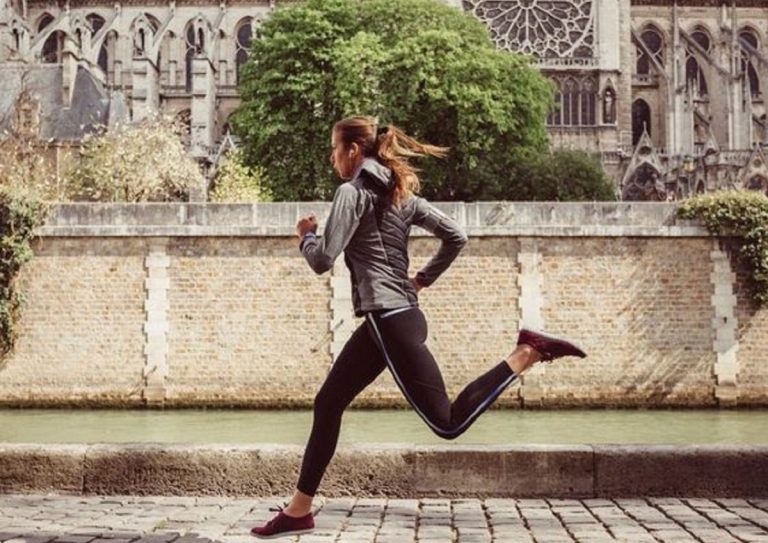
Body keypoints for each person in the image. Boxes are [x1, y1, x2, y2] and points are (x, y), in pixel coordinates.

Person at [250, 116, 586, 539]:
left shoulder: (351, 192)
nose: (331, 157)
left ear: (354, 150)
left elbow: (321, 260)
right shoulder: (400, 193)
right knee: (328, 401)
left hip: (390, 321)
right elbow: (456, 235)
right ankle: (299, 510)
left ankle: (527, 352)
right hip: (389, 318)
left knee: (447, 423)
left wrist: (306, 236)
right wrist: (422, 280)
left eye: (335, 148)